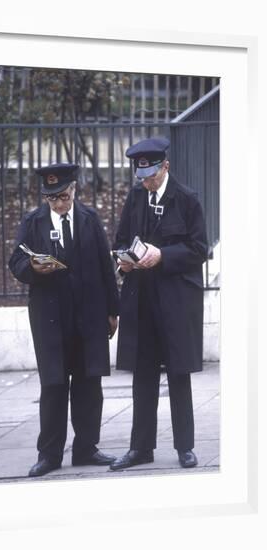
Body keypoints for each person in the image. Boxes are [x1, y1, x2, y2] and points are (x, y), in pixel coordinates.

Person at [9, 163, 119, 477]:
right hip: (51, 318)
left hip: (87, 316)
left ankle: (87, 448)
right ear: (45, 198)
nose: (59, 203)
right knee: (54, 385)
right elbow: (16, 260)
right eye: (52, 198)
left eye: (64, 196)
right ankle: (50, 454)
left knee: (88, 383)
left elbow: (104, 266)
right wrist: (33, 269)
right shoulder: (33, 222)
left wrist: (113, 311)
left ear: (74, 190)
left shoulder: (89, 219)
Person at [109, 137, 208, 471]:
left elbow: (199, 250)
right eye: (141, 177)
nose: (146, 182)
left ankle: (185, 446)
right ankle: (141, 448)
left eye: (151, 176)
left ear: (165, 166)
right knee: (143, 374)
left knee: (178, 373)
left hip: (176, 299)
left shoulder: (187, 199)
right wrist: (124, 259)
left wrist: (163, 255)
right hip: (142, 299)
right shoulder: (137, 196)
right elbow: (122, 238)